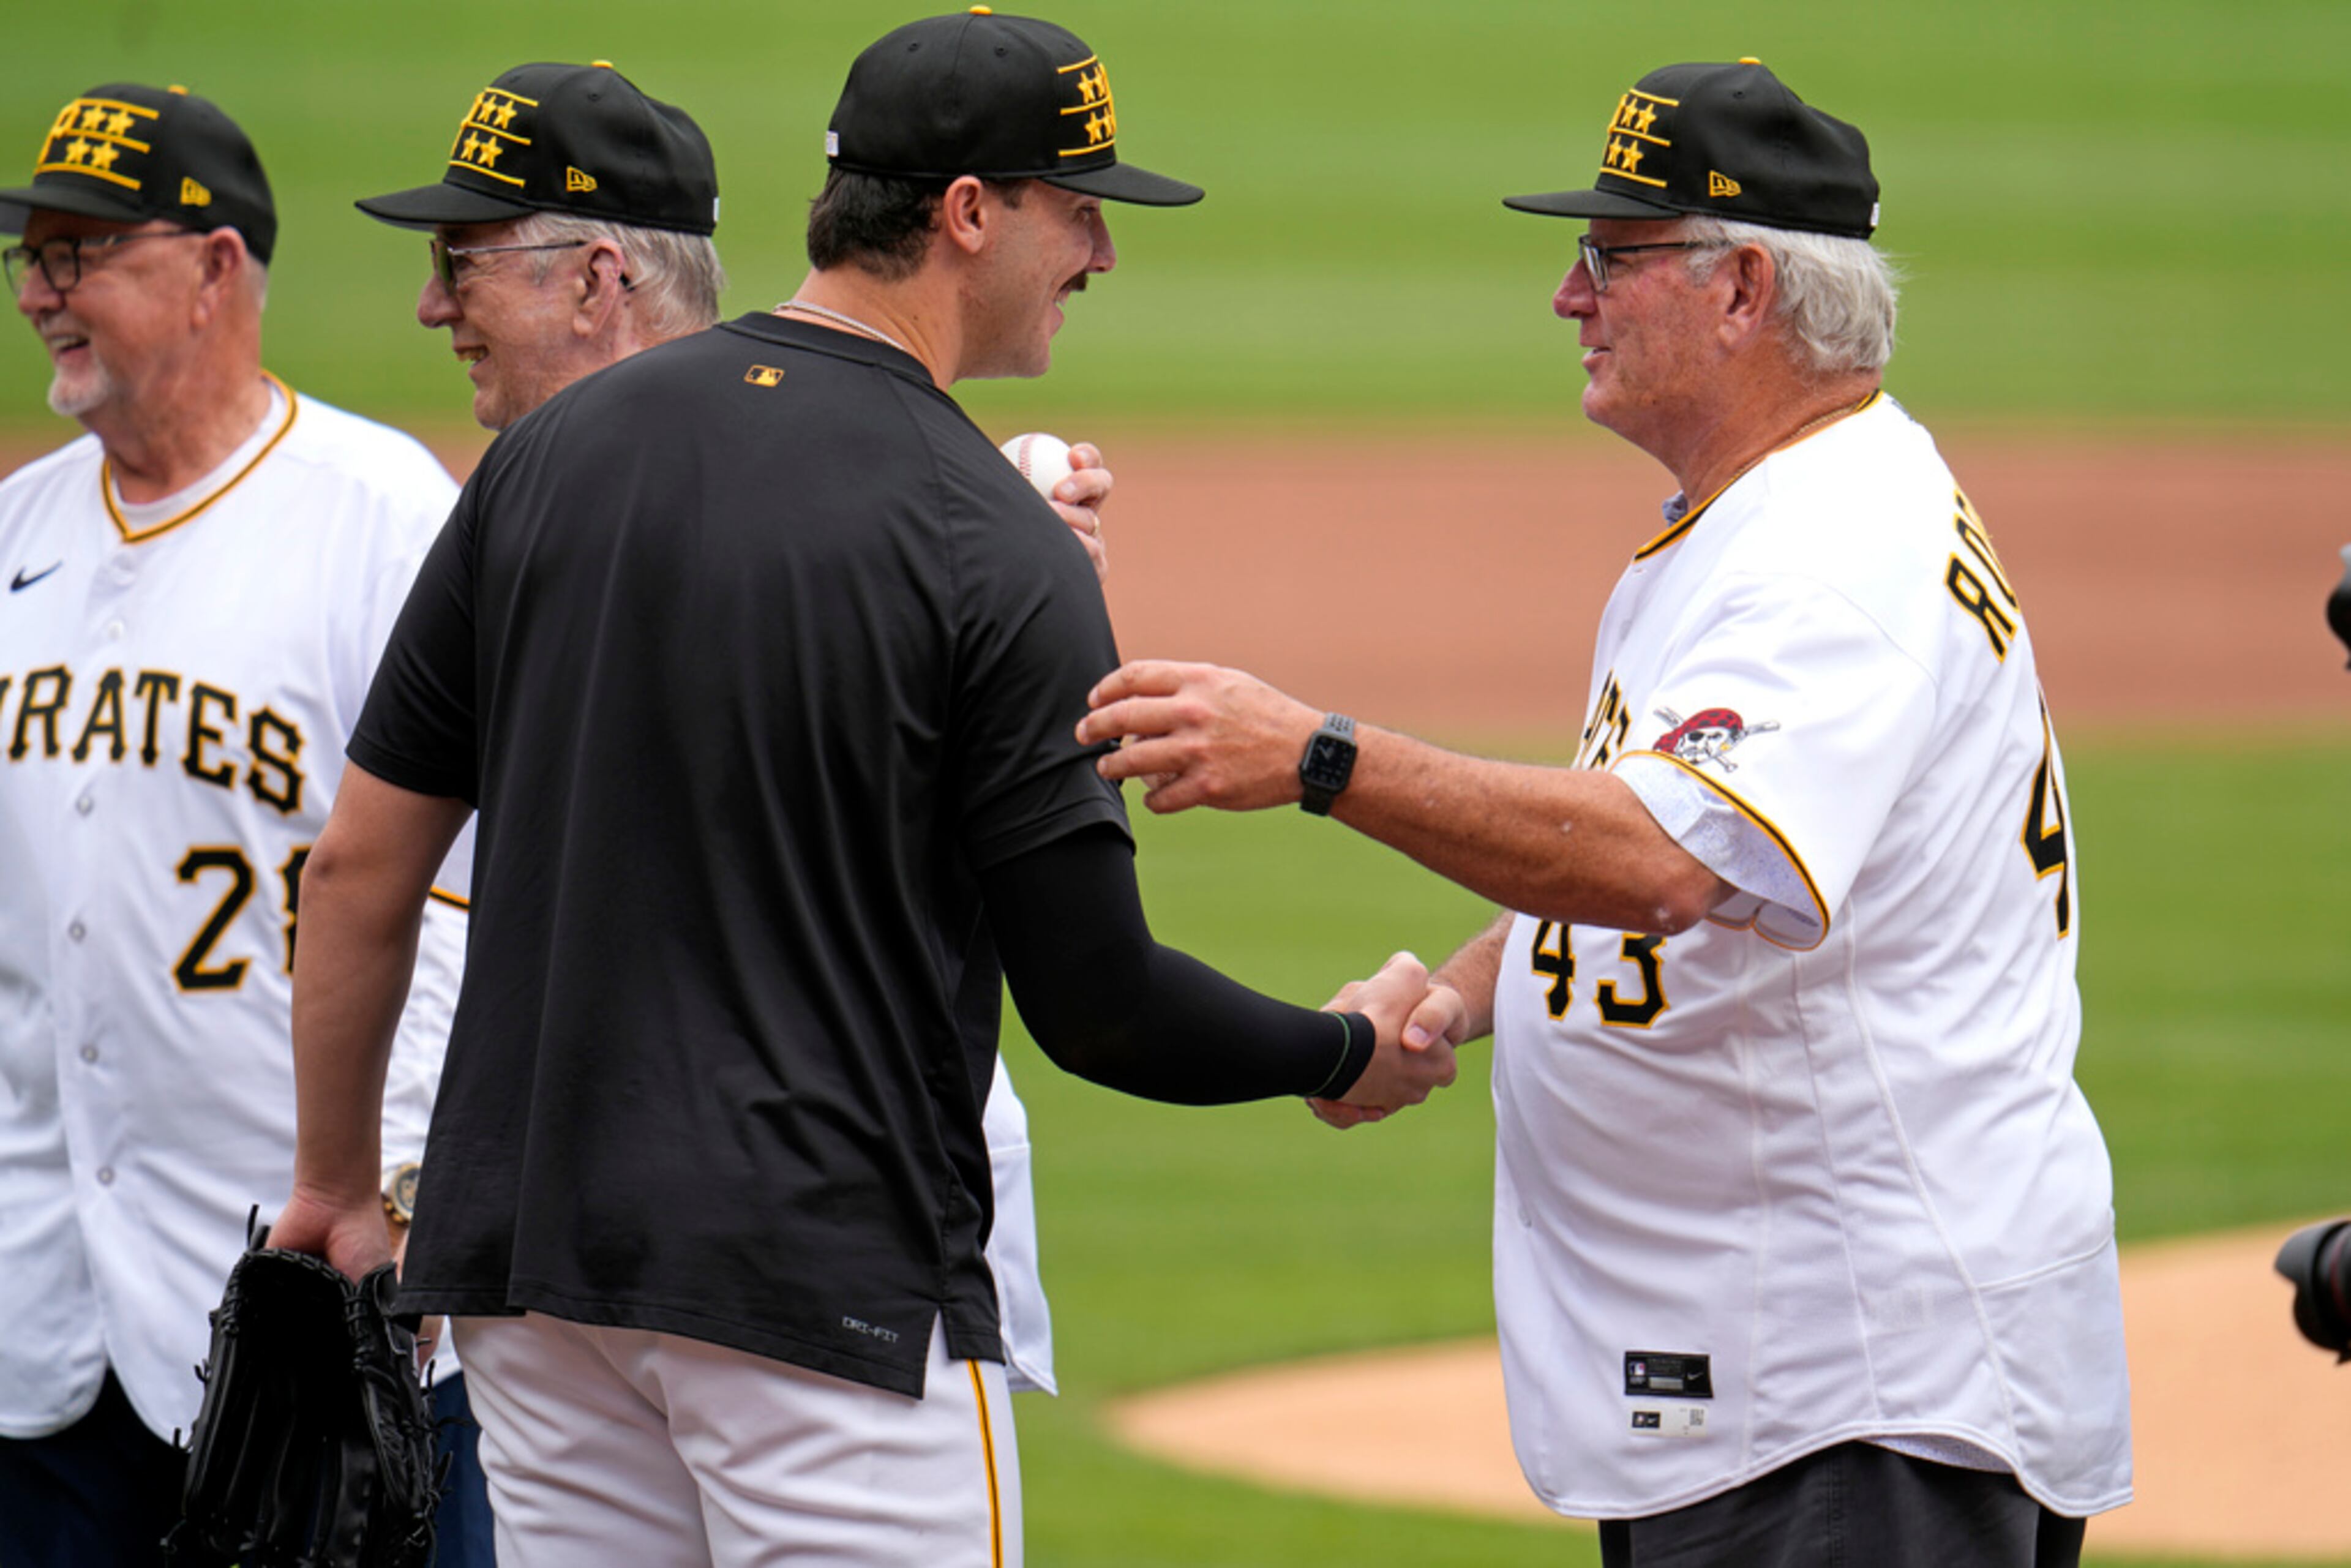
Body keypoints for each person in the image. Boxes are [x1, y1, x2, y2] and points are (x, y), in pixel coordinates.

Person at [272, 14, 1455, 1568]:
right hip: (818, 1304)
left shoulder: (541, 465)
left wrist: (334, 1190)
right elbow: (1098, 1005)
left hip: (528, 1287)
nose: (1099, 250)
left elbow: (358, 870)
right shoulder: (994, 542)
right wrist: (1339, 1048)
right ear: (970, 214)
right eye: (1077, 206)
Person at [1078, 59, 2132, 1567]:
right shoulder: (1770, 513)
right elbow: (1667, 830)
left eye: (1611, 259)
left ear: (1745, 287)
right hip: (1787, 1374)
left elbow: (1660, 865)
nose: (1570, 296)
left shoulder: (1834, 553)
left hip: (1852, 1388)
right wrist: (1450, 994)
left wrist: (1321, 757)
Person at [354, 55, 1114, 1416]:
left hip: (672, 1255)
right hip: (711, 1256)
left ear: (596, 277)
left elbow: (365, 873)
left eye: (463, 260)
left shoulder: (516, 504)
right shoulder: (925, 510)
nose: (431, 305)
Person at [0, 83, 486, 1565]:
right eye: (32, 258)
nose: (40, 293)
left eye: (83, 256)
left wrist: (397, 1198)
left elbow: (463, 895)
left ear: (216, 269)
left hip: (305, 1295)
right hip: (40, 1304)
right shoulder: (19, 535)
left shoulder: (379, 515)